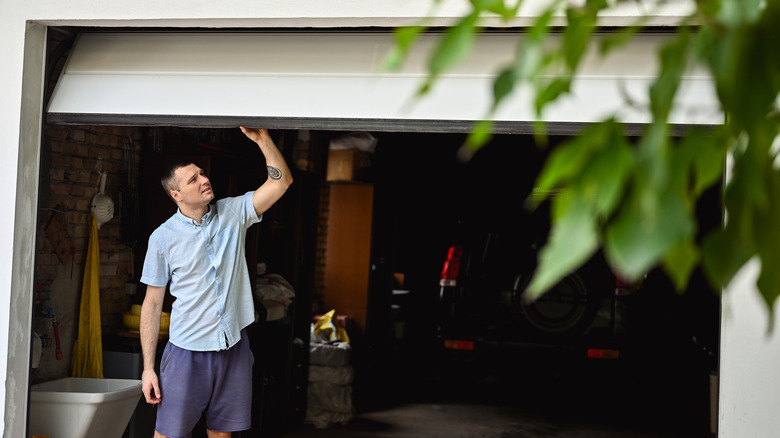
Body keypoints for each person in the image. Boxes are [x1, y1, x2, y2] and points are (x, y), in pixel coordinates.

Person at [139, 127, 293, 438]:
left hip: (233, 346)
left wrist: (263, 140)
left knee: (222, 434)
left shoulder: (233, 212)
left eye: (202, 173)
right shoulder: (162, 238)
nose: (204, 180)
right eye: (193, 180)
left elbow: (281, 182)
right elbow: (153, 304)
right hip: (187, 351)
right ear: (176, 195)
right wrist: (148, 368)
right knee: (168, 435)